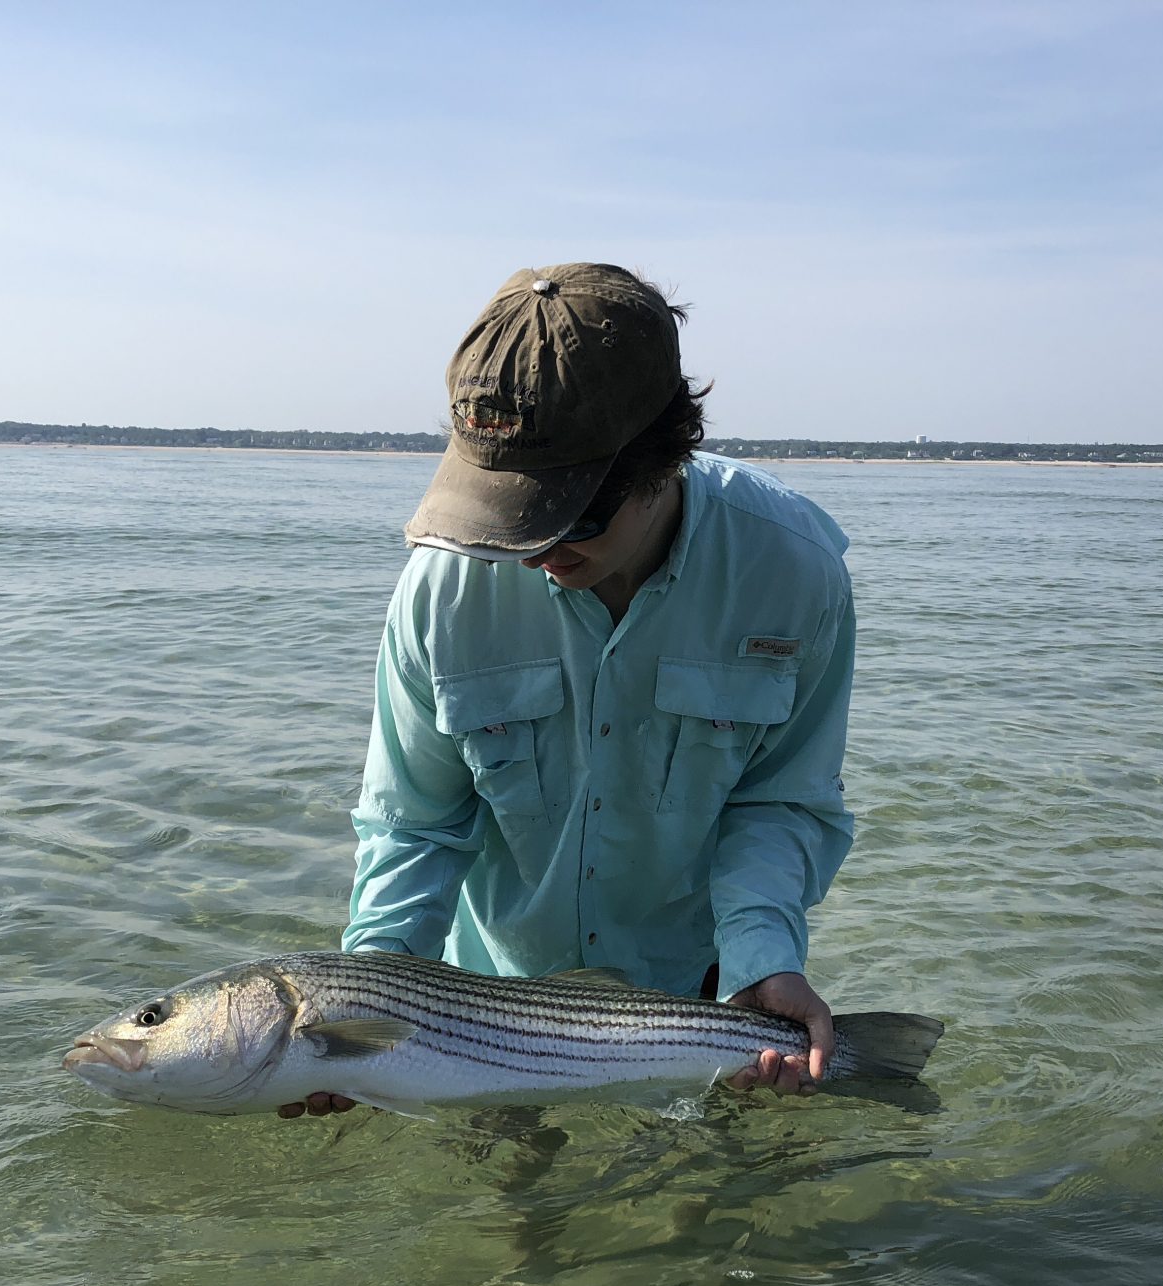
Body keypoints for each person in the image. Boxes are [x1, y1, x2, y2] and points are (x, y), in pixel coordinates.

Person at [279, 262, 856, 1118]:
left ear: (665, 456)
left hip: (700, 997)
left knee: (700, 1226)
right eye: (502, 511)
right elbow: (414, 822)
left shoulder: (794, 573)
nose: (534, 545)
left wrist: (764, 959)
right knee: (513, 1237)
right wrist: (372, 1006)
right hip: (480, 1015)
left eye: (570, 511)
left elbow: (779, 800)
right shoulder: (442, 590)